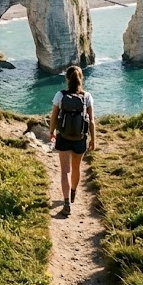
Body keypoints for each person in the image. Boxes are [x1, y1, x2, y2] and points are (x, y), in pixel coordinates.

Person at [48, 65, 95, 215]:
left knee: (65, 171)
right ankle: (73, 192)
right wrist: (93, 139)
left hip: (63, 137)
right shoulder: (87, 96)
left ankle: (66, 202)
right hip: (80, 138)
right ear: (81, 78)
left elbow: (54, 116)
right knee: (76, 168)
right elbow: (92, 121)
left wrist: (51, 132)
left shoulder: (60, 96)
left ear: (67, 79)